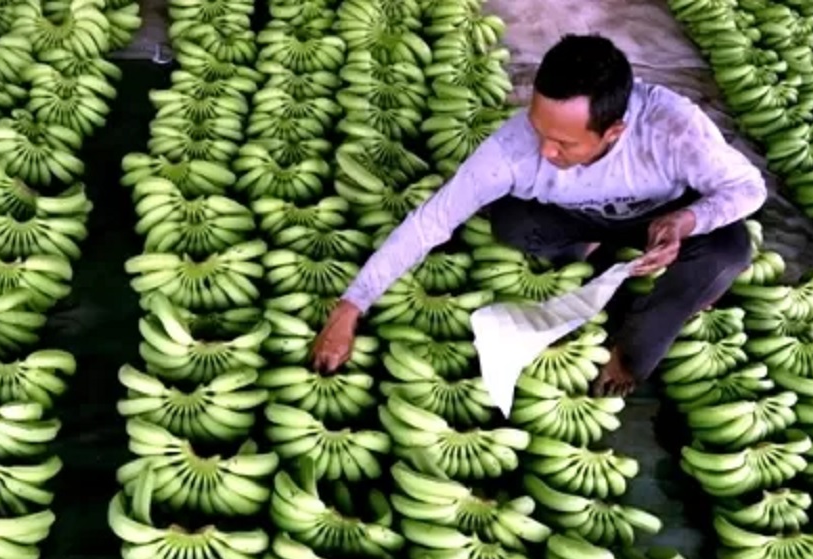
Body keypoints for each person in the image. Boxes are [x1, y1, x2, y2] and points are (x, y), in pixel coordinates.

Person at [309, 33, 768, 397]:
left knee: (730, 249)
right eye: (538, 128)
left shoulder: (672, 129)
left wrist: (686, 221)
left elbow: (749, 187)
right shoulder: (512, 150)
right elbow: (433, 219)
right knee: (510, 223)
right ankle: (591, 249)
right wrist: (351, 305)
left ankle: (630, 356)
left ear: (613, 131)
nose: (545, 150)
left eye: (565, 143)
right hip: (576, 215)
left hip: (661, 214)